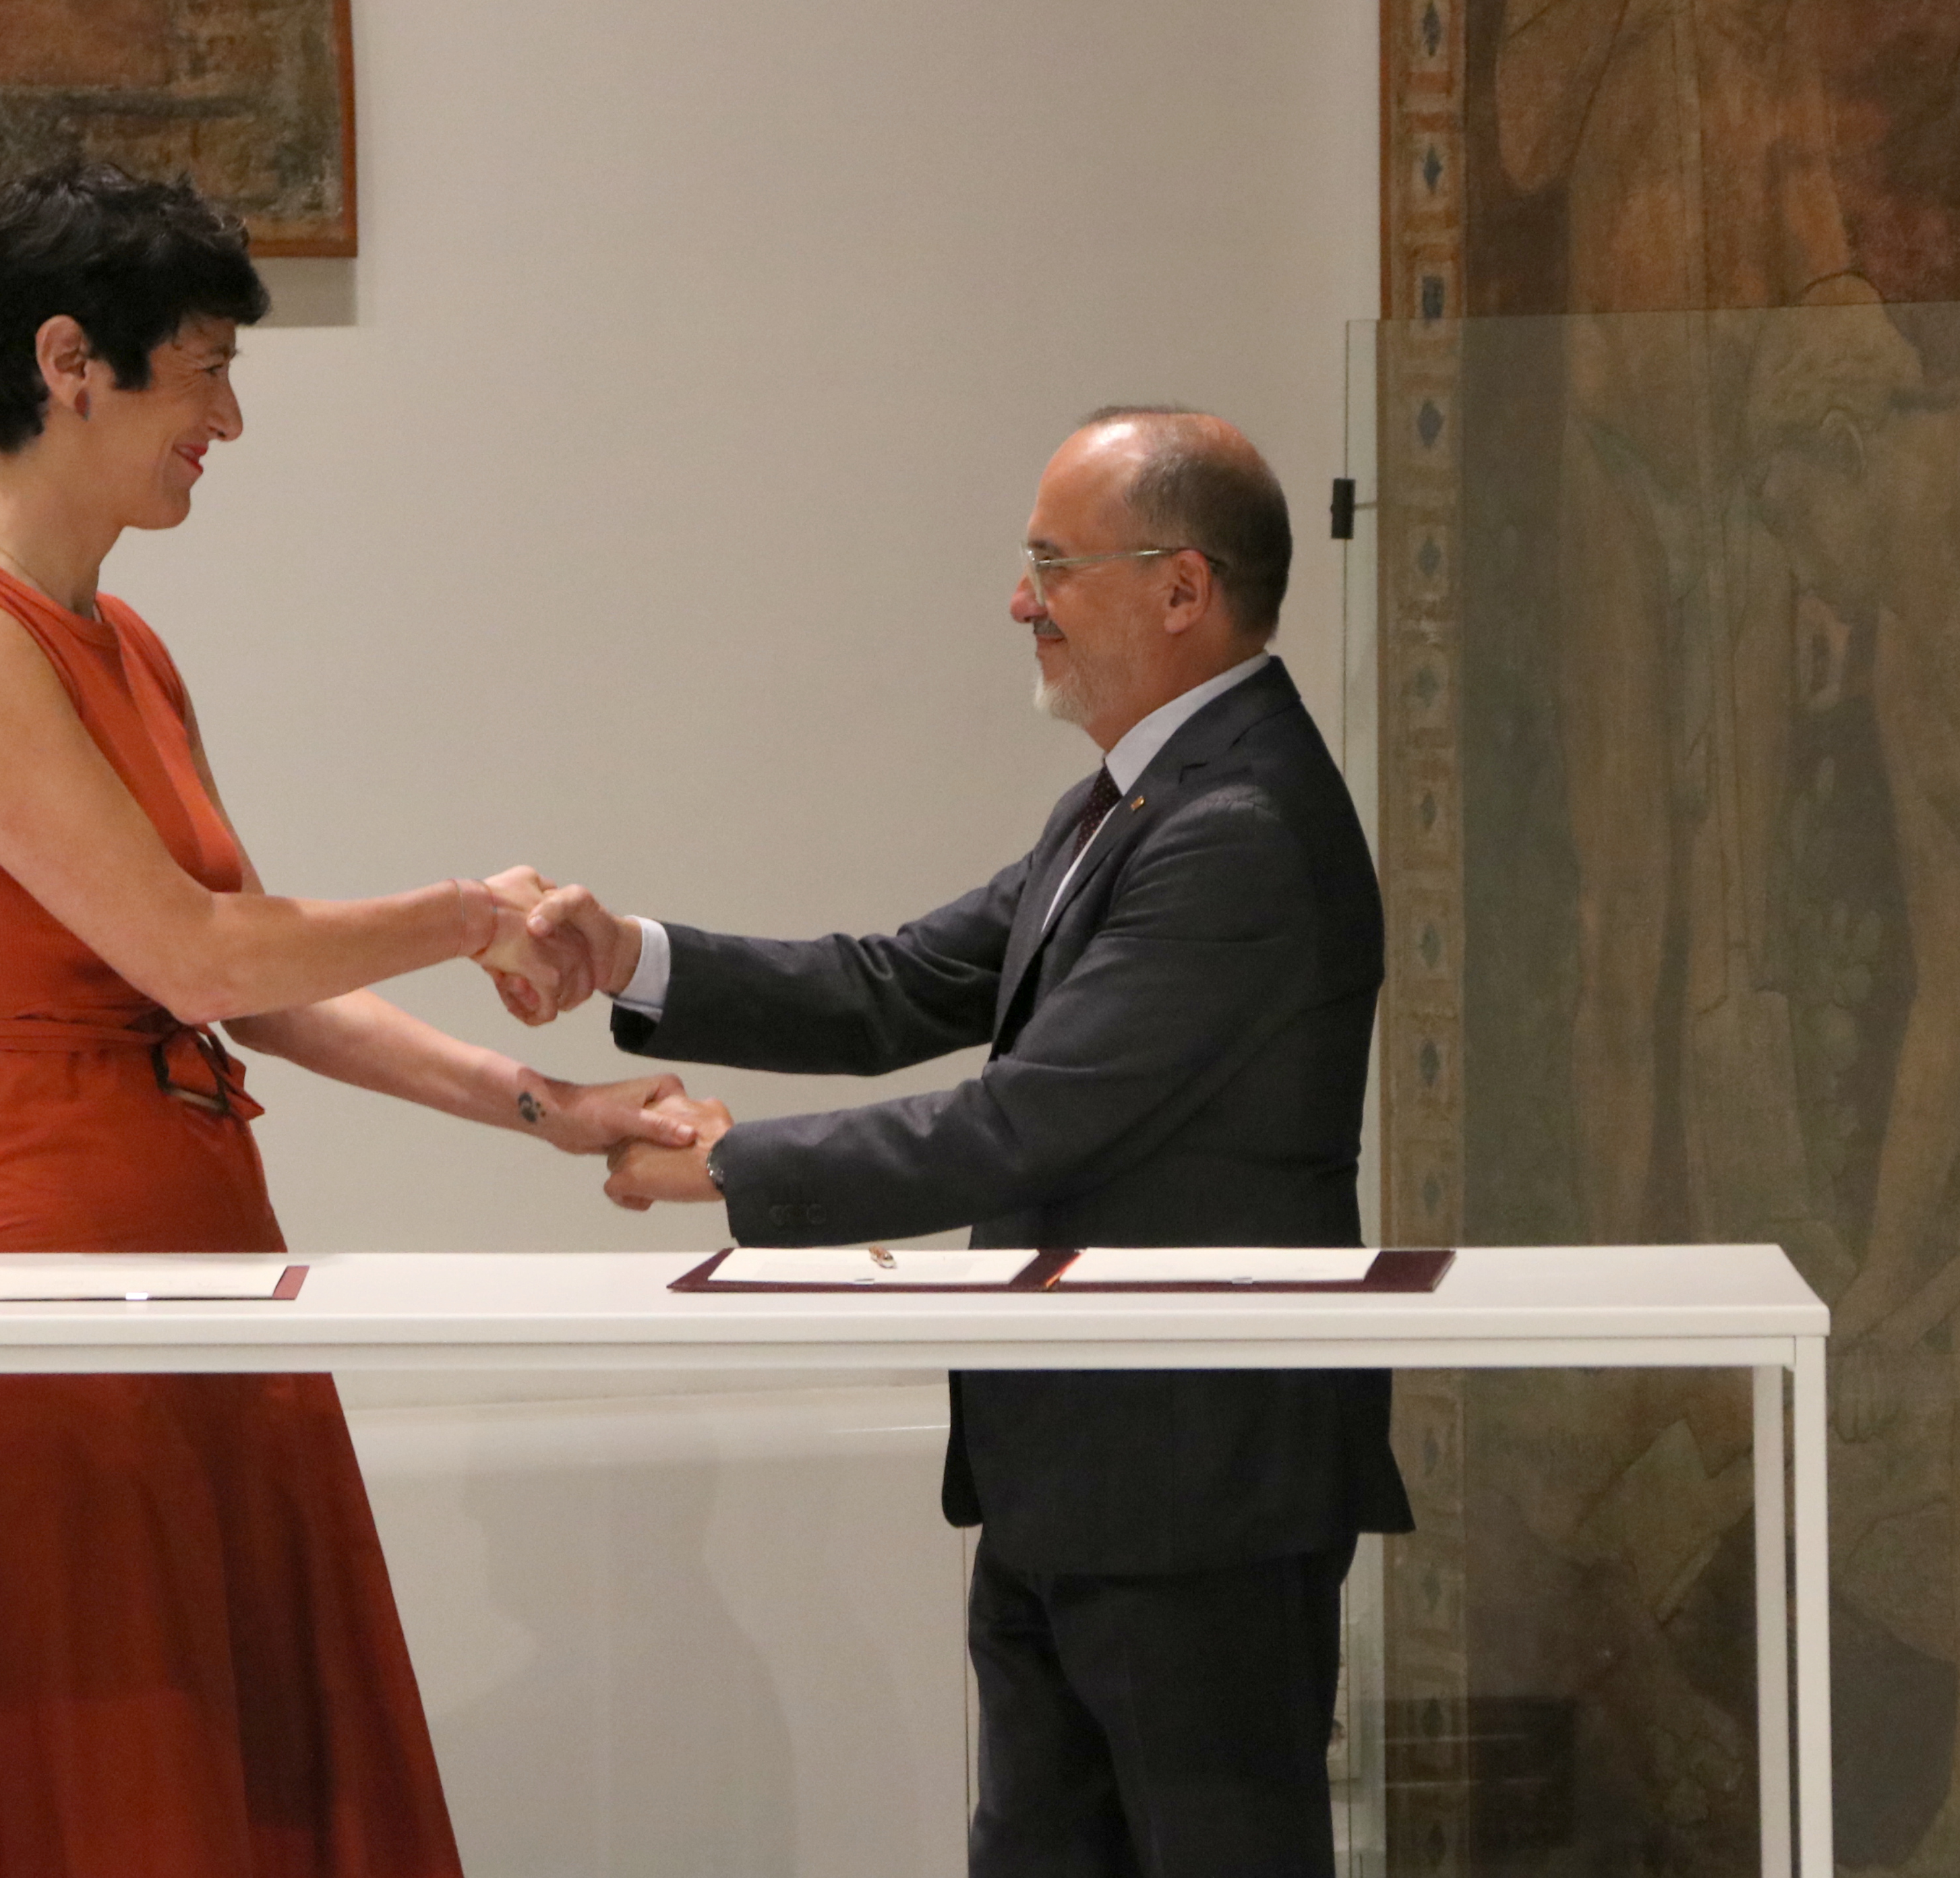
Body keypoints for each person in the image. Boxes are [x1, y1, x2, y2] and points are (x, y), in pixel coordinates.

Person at [0, 160, 686, 1878]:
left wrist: (540, 1105)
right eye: (203, 370)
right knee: (100, 1757)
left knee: (215, 1751)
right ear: (71, 363)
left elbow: (252, 992)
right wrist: (465, 913)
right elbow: (198, 957)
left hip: (185, 1226)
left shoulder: (120, 642)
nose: (231, 421)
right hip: (32, 1247)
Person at [516, 408, 1414, 1876]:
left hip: (1198, 1497)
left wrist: (730, 1169)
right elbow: (896, 982)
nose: (1020, 601)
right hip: (1074, 1468)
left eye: (1053, 564)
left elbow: (1026, 1116)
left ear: (1181, 589)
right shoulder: (1135, 797)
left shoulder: (1237, 821)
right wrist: (630, 956)